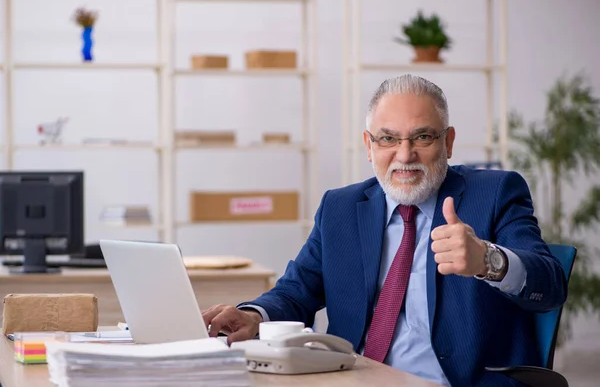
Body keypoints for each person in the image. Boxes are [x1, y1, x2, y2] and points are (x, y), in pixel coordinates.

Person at [202, 74, 568, 387]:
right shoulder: (340, 208)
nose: (404, 155)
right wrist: (253, 316)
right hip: (354, 378)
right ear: (369, 145)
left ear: (448, 142)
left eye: (422, 137)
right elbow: (297, 292)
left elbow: (550, 285)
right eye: (388, 139)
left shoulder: (495, 193)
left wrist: (487, 260)